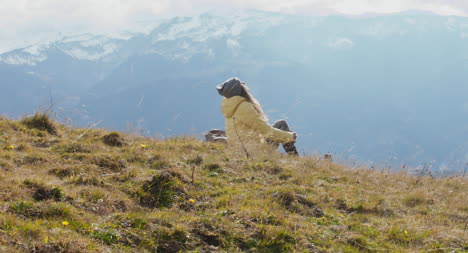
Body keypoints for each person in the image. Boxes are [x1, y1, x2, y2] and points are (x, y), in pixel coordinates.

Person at [216, 77, 298, 155]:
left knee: (280, 124)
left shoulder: (230, 107)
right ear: (240, 90)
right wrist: (289, 136)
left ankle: (294, 157)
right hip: (254, 152)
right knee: (282, 124)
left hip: (238, 150)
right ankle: (294, 158)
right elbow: (265, 130)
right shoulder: (244, 107)